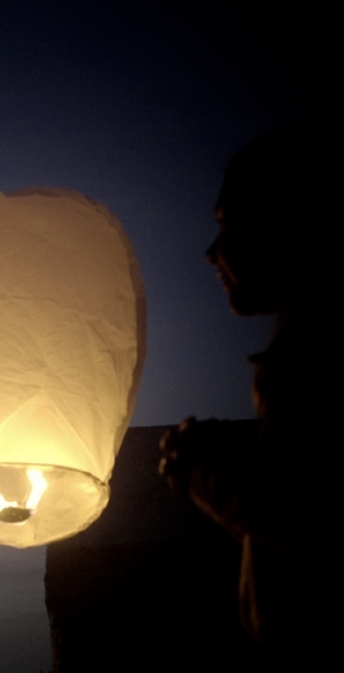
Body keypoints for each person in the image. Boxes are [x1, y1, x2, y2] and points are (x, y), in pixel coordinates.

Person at [158, 122, 334, 663]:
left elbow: (317, 525)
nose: (212, 254)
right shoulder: (299, 362)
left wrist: (203, 470)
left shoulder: (321, 364)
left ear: (290, 225)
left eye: (229, 225)